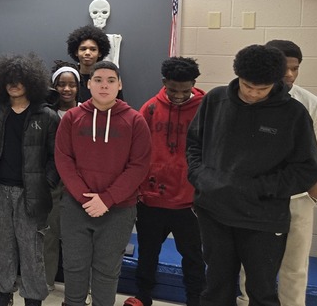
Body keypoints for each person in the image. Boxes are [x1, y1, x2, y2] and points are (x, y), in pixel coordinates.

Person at [187, 45, 317, 306]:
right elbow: (193, 145)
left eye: (262, 89)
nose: (253, 94)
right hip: (214, 212)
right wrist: (202, 178)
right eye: (248, 86)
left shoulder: (294, 113)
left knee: (262, 292)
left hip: (264, 219)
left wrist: (259, 188)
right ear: (238, 77)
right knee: (216, 287)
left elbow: (306, 168)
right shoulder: (215, 100)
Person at [55, 61, 149, 306]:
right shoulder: (73, 118)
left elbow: (139, 166)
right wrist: (85, 198)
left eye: (110, 80)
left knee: (107, 271)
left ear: (119, 85)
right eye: (98, 80)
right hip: (76, 207)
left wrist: (106, 199)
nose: (104, 85)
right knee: (74, 267)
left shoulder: (135, 121)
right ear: (88, 84)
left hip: (118, 210)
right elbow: (63, 159)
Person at [0, 54, 59, 306]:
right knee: (1, 248)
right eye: (9, 80)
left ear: (31, 82)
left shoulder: (46, 116)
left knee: (32, 250)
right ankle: (3, 295)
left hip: (31, 193)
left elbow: (56, 158)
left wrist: (45, 183)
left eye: (20, 80)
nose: (14, 84)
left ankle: (33, 298)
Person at [124, 57, 205, 306]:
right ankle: (143, 296)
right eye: (172, 90)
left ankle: (195, 300)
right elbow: (135, 151)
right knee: (148, 253)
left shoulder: (207, 109)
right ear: (163, 83)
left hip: (189, 202)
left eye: (185, 90)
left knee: (192, 257)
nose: (178, 95)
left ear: (194, 83)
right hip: (152, 198)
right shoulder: (149, 108)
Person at [258, 40, 317, 306]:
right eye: (285, 68)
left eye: (296, 69)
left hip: (299, 198)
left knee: (295, 268)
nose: (290, 75)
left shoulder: (310, 103)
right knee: (254, 267)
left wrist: (314, 193)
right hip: (258, 197)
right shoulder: (248, 98)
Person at [44, 62, 80, 290]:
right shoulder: (47, 114)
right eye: (61, 85)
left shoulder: (87, 112)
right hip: (53, 184)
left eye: (71, 85)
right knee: (49, 236)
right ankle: (45, 283)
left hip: (78, 185)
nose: (66, 90)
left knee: (76, 240)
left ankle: (77, 287)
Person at [64, 25, 115, 103]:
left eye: (93, 49)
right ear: (76, 52)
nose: (87, 53)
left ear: (100, 53)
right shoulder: (70, 78)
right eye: (83, 49)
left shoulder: (109, 78)